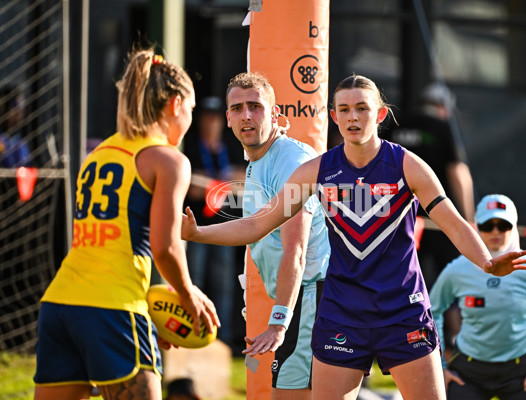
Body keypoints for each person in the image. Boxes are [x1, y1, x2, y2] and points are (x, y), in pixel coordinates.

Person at [182, 74, 526, 400]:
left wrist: (486, 261)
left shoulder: (407, 165)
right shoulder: (317, 171)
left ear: (379, 114)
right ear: (334, 116)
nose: (353, 117)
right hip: (343, 313)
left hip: (402, 311)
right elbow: (257, 225)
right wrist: (197, 233)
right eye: (345, 109)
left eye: (362, 108)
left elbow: (454, 223)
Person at [33, 48, 220, 400]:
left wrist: (159, 310)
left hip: (59, 305)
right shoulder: (169, 161)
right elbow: (164, 248)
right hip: (113, 309)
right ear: (175, 104)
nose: (191, 120)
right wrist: (187, 295)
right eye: (192, 111)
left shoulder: (99, 153)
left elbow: (110, 246)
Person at [188, 72, 330, 400]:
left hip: (313, 298)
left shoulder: (291, 160)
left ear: (275, 114)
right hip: (305, 299)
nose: (246, 115)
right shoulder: (256, 160)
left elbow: (296, 250)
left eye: (256, 106)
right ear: (228, 118)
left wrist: (279, 322)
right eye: (237, 108)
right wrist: (194, 233)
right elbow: (252, 227)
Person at [429, 194, 526, 400]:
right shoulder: (457, 269)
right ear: (476, 227)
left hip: (520, 370)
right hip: (468, 372)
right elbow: (432, 311)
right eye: (488, 225)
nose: (495, 231)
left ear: (514, 227)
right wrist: (440, 366)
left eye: (503, 225)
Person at [387, 82, 475, 288]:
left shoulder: (395, 124)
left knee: (398, 277)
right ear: (444, 107)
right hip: (436, 214)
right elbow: (457, 172)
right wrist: (468, 219)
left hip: (394, 214)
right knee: (449, 281)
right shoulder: (441, 127)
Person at [183, 95, 245, 346]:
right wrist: (221, 184)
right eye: (207, 118)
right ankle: (191, 332)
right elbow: (190, 187)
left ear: (223, 121)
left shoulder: (230, 146)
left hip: (226, 225)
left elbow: (244, 180)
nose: (212, 123)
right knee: (193, 278)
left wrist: (211, 184)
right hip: (196, 225)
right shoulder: (190, 148)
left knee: (224, 281)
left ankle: (224, 338)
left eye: (216, 118)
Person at [0, 85, 31, 167]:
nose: (20, 113)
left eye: (22, 108)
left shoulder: (19, 142)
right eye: (16, 107)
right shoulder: (2, 139)